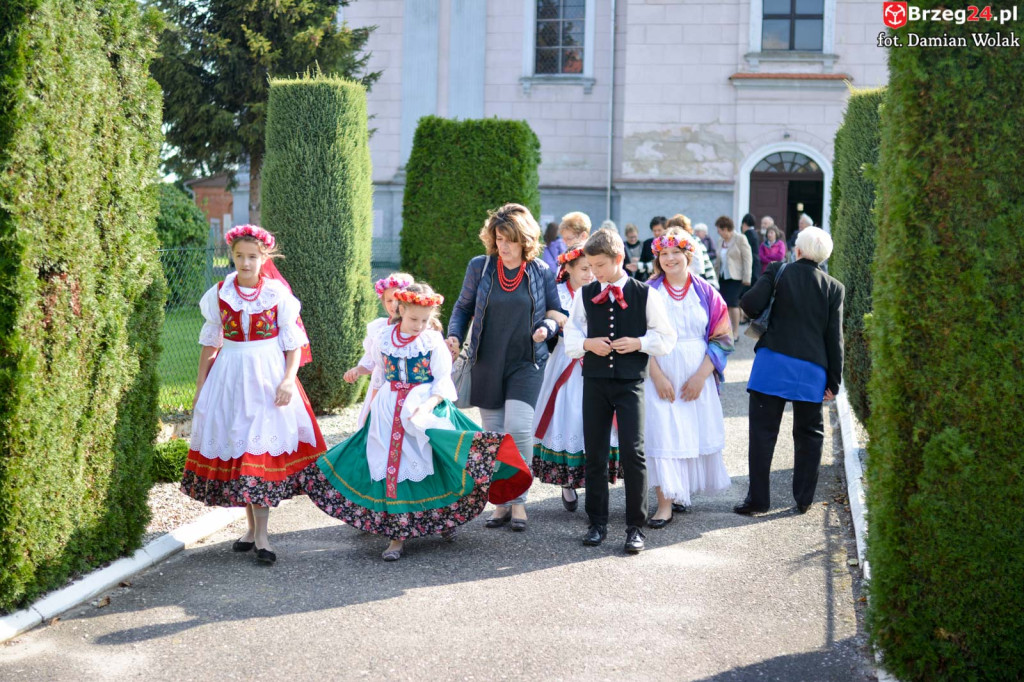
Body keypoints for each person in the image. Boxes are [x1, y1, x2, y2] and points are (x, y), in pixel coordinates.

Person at [301, 284, 532, 560]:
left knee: (432, 464)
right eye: (413, 319)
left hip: (422, 410)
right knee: (391, 466)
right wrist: (359, 371)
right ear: (400, 310)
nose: (419, 326)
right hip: (388, 411)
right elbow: (376, 366)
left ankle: (442, 520)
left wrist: (428, 405)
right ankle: (396, 536)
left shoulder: (431, 342)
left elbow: (442, 382)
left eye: (424, 320)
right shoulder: (384, 337)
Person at [182, 224, 327, 565]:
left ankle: (262, 536)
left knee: (257, 452)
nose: (245, 263)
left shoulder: (277, 295)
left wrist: (288, 380)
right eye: (239, 256)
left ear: (264, 258)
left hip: (267, 378)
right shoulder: (219, 293)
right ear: (231, 256)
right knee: (242, 450)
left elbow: (293, 343)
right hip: (230, 378)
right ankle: (250, 530)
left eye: (252, 257)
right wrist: (201, 388)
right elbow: (210, 343)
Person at [447, 203, 566, 531]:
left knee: (520, 429)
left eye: (510, 240)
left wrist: (547, 330)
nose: (503, 246)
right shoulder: (480, 266)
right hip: (486, 362)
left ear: (524, 240)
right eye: (499, 238)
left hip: (527, 362)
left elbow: (556, 313)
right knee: (496, 434)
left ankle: (519, 500)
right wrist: (454, 335)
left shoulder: (541, 270)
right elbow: (463, 307)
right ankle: (500, 502)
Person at [564, 229, 676, 554]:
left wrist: (639, 343)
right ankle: (597, 523)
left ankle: (635, 527)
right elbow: (571, 334)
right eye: (590, 266)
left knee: (633, 453)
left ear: (618, 258)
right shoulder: (584, 294)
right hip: (595, 382)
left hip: (631, 384)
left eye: (600, 265)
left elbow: (667, 337)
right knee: (595, 453)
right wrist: (588, 344)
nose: (594, 272)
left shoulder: (645, 294)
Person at [734, 227, 845, 516]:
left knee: (762, 433)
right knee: (809, 435)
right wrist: (834, 381)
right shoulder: (834, 288)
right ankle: (803, 500)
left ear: (797, 250)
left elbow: (749, 304)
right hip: (811, 370)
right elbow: (835, 338)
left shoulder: (777, 270)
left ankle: (758, 501)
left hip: (772, 364)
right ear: (824, 256)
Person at [644, 230, 734, 525]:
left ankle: (680, 493)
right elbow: (637, 336)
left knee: (689, 433)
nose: (669, 259)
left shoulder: (706, 292)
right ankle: (664, 504)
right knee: (663, 435)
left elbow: (723, 338)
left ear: (688, 255)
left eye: (675, 253)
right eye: (663, 254)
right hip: (659, 372)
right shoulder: (648, 292)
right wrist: (656, 375)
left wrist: (700, 377)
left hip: (697, 375)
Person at [532, 247, 620, 512]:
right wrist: (553, 321)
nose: (590, 273)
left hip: (597, 360)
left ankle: (596, 481)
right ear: (567, 269)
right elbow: (547, 317)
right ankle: (567, 480)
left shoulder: (603, 290)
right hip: (565, 362)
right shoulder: (558, 294)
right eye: (583, 268)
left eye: (593, 267)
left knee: (596, 419)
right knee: (568, 415)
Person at [345, 273, 415, 429]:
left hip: (407, 385)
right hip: (380, 384)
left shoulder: (416, 328)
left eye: (398, 299)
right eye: (389, 300)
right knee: (376, 426)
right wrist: (357, 370)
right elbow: (371, 361)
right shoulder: (378, 328)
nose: (394, 305)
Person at [714, 216, 752, 342]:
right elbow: (718, 261)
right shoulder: (720, 241)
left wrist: (747, 277)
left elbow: (747, 258)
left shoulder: (740, 238)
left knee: (733, 303)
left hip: (736, 277)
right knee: (724, 304)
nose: (718, 232)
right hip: (723, 277)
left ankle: (735, 333)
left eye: (719, 230)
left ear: (726, 229)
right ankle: (726, 331)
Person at [665, 213, 718, 288]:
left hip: (691, 280)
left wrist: (712, 285)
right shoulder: (693, 240)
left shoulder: (691, 241)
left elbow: (704, 264)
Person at [633, 216, 666, 282]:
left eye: (659, 230)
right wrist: (635, 282)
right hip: (651, 279)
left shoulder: (668, 244)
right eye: (654, 231)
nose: (656, 233)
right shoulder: (647, 243)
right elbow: (642, 261)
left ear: (665, 230)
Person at [741, 213, 762, 287]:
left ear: (744, 224)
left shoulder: (748, 234)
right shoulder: (754, 233)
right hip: (756, 261)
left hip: (752, 261)